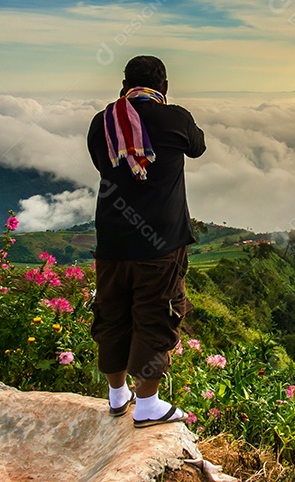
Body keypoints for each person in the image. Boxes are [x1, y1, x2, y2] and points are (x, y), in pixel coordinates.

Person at [87, 55, 206, 427]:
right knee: (156, 316)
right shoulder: (175, 118)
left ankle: (116, 396)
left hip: (111, 241)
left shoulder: (103, 122)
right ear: (164, 87)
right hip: (160, 243)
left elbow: (100, 162)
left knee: (112, 314)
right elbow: (198, 146)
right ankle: (148, 405)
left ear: (124, 85)